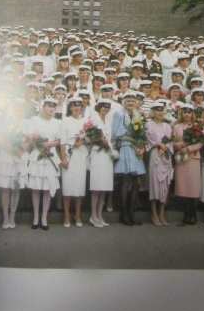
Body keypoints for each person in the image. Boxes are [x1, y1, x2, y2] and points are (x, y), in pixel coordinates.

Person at [0, 99, 32, 229]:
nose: (18, 110)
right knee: (6, 188)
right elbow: (1, 140)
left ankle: (12, 217)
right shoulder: (5, 121)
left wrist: (21, 150)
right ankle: (5, 217)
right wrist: (12, 150)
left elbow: (29, 141)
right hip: (7, 156)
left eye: (21, 107)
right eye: (16, 107)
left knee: (16, 188)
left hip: (20, 156)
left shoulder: (27, 123)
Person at [112, 91, 146, 226]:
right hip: (126, 148)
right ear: (123, 103)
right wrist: (133, 140)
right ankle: (124, 214)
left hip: (135, 150)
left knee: (136, 183)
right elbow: (116, 133)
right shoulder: (119, 114)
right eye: (128, 101)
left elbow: (141, 134)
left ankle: (132, 214)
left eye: (132, 101)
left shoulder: (138, 115)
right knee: (125, 182)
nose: (130, 103)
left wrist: (140, 145)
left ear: (136, 103)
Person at [27, 98, 61, 230]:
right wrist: (39, 144)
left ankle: (44, 218)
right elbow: (31, 138)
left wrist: (49, 144)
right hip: (38, 155)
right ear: (43, 107)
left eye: (53, 106)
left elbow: (60, 140)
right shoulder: (34, 120)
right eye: (49, 106)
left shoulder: (57, 122)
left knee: (47, 188)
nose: (51, 108)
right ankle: (36, 217)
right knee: (36, 188)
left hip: (51, 155)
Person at [60, 97, 88, 228]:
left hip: (81, 156)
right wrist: (63, 158)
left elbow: (90, 139)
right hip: (68, 154)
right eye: (74, 105)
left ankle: (77, 215)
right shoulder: (65, 121)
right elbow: (62, 142)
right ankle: (66, 215)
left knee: (79, 187)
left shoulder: (86, 121)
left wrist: (83, 141)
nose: (77, 108)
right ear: (70, 107)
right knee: (67, 187)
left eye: (79, 105)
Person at [172, 102, 202, 225]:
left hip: (193, 158)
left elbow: (201, 142)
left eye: (189, 112)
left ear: (192, 114)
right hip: (181, 158)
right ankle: (186, 214)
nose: (187, 114)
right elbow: (173, 142)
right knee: (183, 187)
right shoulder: (176, 126)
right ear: (181, 113)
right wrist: (180, 145)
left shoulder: (197, 125)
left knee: (193, 187)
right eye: (185, 112)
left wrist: (189, 148)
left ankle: (193, 214)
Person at [146, 100, 173, 226]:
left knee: (165, 185)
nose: (160, 112)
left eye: (161, 110)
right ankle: (154, 214)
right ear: (153, 112)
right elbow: (148, 140)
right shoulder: (148, 124)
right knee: (154, 184)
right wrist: (158, 145)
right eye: (157, 110)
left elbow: (170, 141)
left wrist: (166, 147)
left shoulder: (167, 126)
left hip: (166, 156)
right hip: (155, 154)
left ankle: (162, 213)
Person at [88, 99, 114, 227]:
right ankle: (93, 216)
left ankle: (99, 215)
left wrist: (109, 146)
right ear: (99, 107)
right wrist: (100, 141)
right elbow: (89, 137)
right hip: (97, 154)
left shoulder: (108, 121)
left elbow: (110, 138)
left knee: (104, 187)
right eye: (103, 106)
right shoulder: (93, 119)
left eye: (108, 107)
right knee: (97, 187)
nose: (105, 109)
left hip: (107, 155)